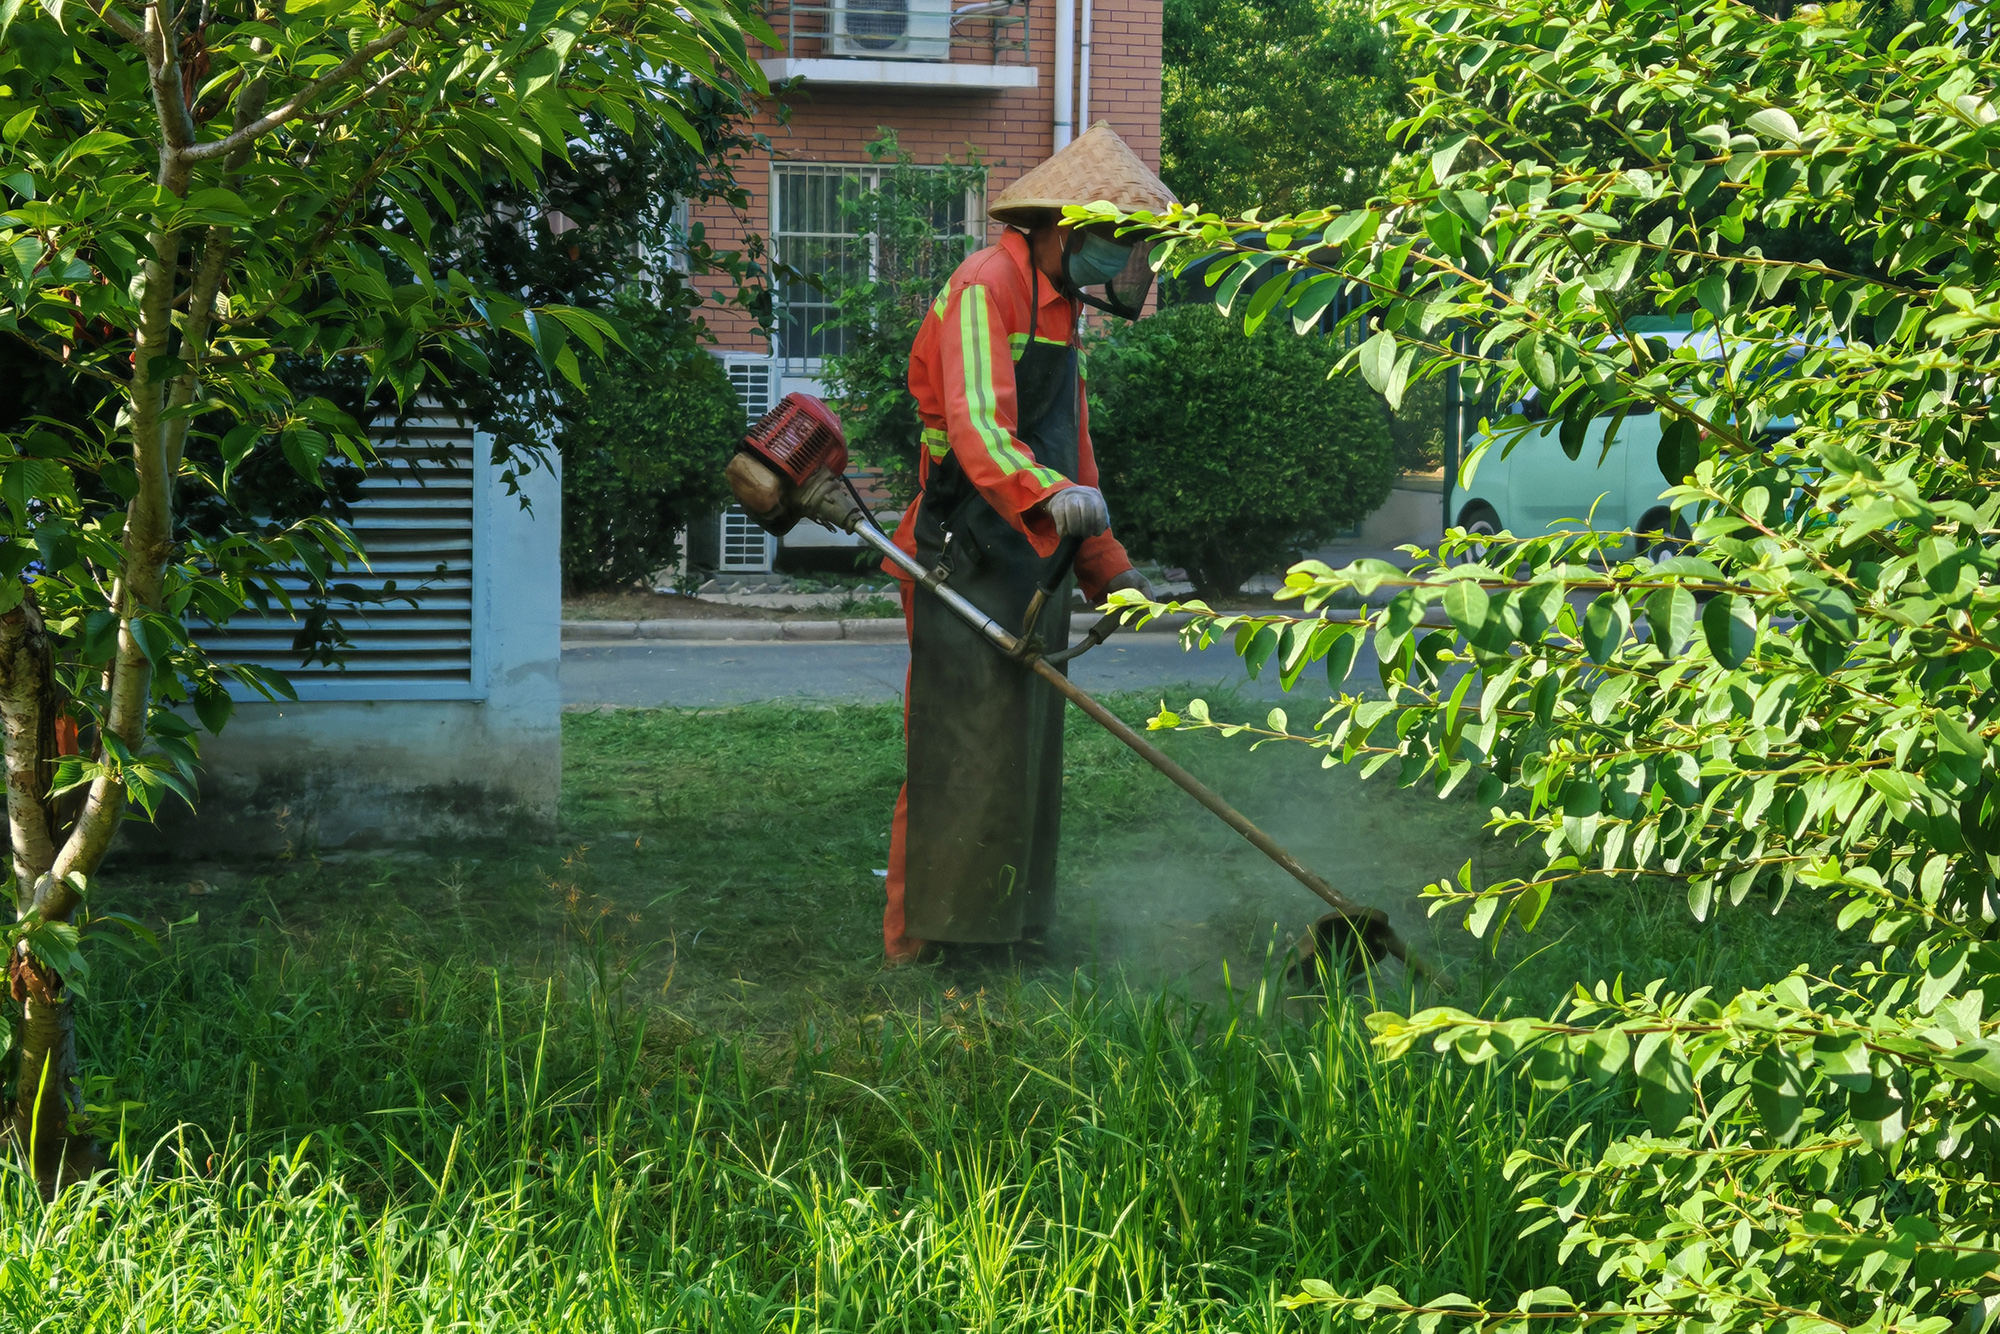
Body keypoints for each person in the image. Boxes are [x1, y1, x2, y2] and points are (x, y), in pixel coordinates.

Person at [881, 123, 1176, 964]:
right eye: (1114, 241)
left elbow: (1067, 445)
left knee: (1025, 746)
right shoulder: (987, 286)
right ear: (1062, 227)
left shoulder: (1061, 309)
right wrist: (1055, 499)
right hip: (960, 551)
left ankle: (1009, 924)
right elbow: (980, 431)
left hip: (1030, 553)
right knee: (960, 744)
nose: (1119, 263)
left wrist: (1108, 570)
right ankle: (930, 937)